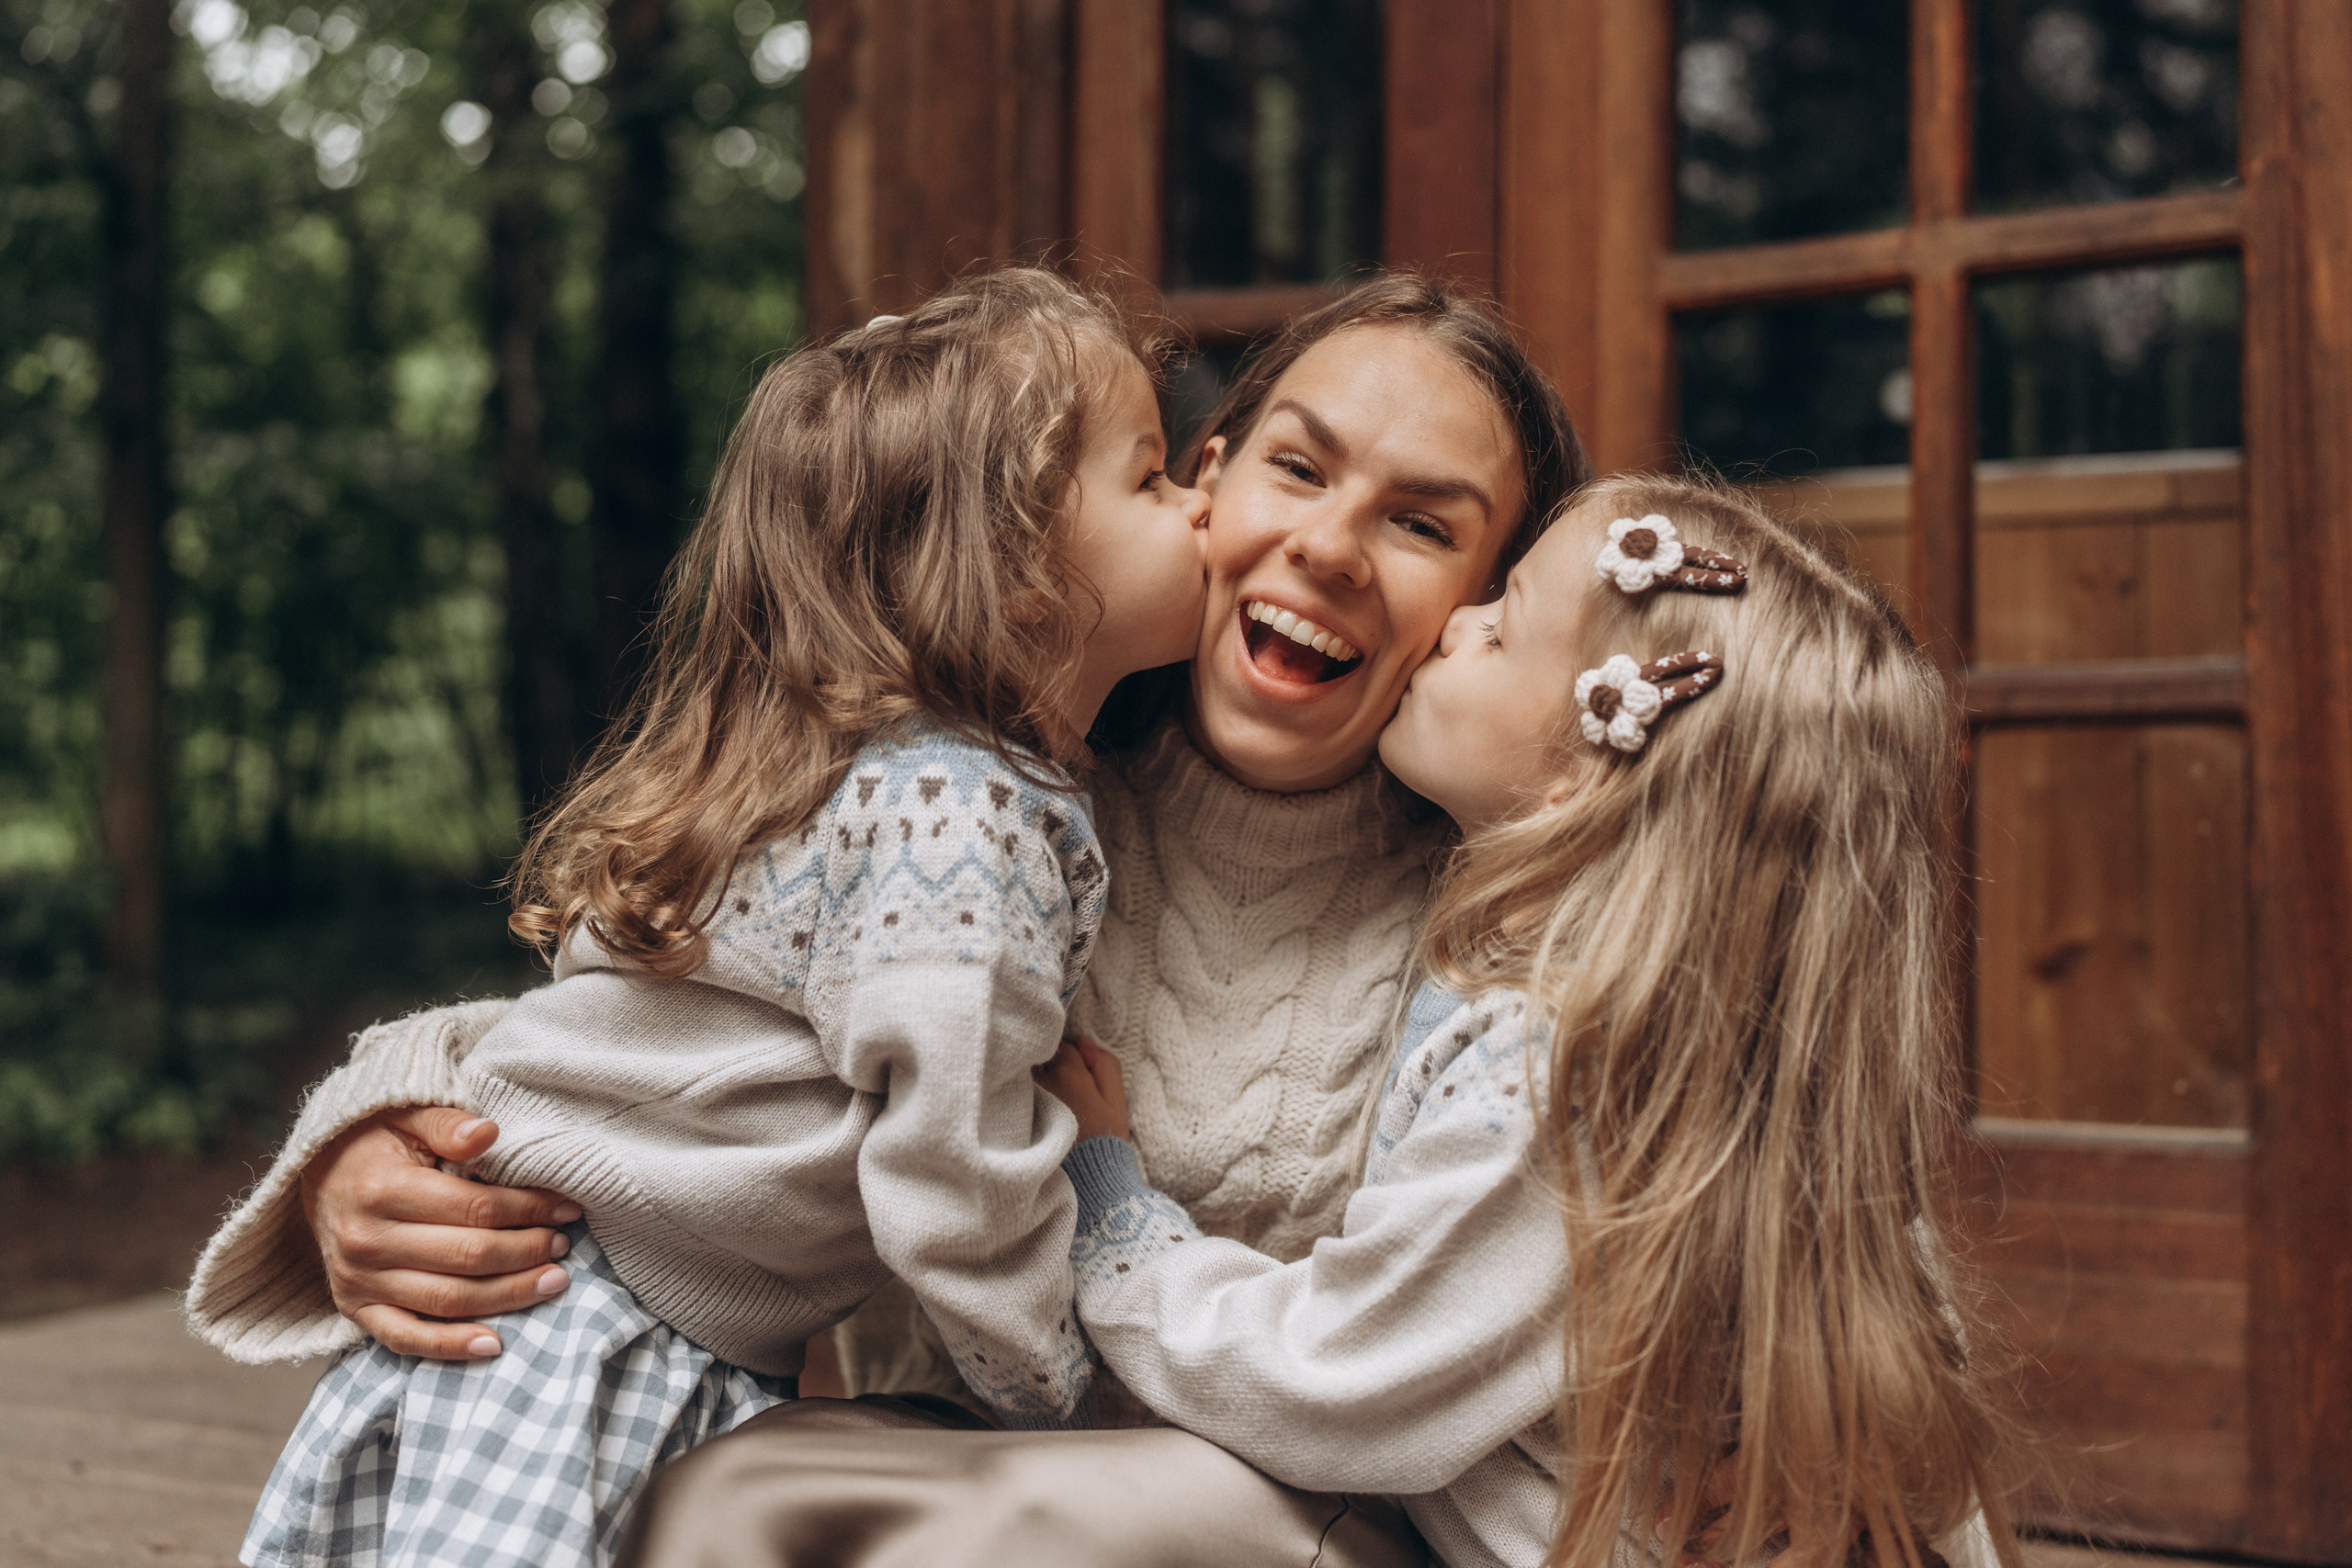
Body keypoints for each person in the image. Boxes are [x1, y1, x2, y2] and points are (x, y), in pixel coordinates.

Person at [186, 272, 1592, 1564]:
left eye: (1424, 523)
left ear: (1491, 609)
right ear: (1209, 486)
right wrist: (378, 1136)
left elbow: (1397, 1367)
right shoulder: (1000, 792)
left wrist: (1104, 1228)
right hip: (937, 1483)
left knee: (749, 1496)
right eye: (1298, 464)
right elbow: (672, 1008)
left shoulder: (1493, 934)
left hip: (1274, 1516)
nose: (1335, 545)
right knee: (749, 1491)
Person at [224, 266, 1213, 1568]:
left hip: (562, 1324)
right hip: (588, 1339)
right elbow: (951, 1166)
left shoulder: (854, 770)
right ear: (1021, 563)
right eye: (1151, 477)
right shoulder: (968, 814)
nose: (1203, 501)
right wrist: (1048, 1383)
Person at [1021, 474, 2028, 1568]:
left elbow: (1345, 1378)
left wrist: (1118, 1221)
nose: (1452, 624)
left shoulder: (1560, 1063)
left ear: (1580, 779)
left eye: (1499, 629)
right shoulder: (1699, 1039)